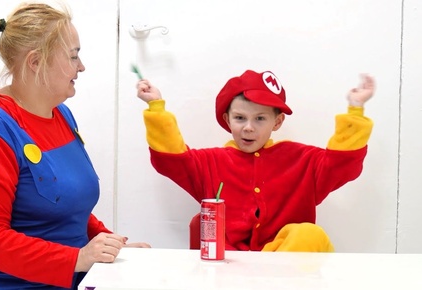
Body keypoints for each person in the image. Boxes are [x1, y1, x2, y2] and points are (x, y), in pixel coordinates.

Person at [0, 2, 150, 289]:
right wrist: (77, 258)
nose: (82, 66)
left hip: (61, 277)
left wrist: (107, 245)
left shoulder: (60, 115)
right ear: (35, 62)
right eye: (73, 56)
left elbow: (63, 204)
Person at [135, 69, 375, 252]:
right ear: (227, 120)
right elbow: (171, 160)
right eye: (240, 118)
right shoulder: (209, 162)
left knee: (309, 234)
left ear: (277, 123)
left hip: (284, 273)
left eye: (260, 119)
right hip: (226, 268)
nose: (249, 128)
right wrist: (156, 108)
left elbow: (342, 165)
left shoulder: (303, 160)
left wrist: (355, 110)